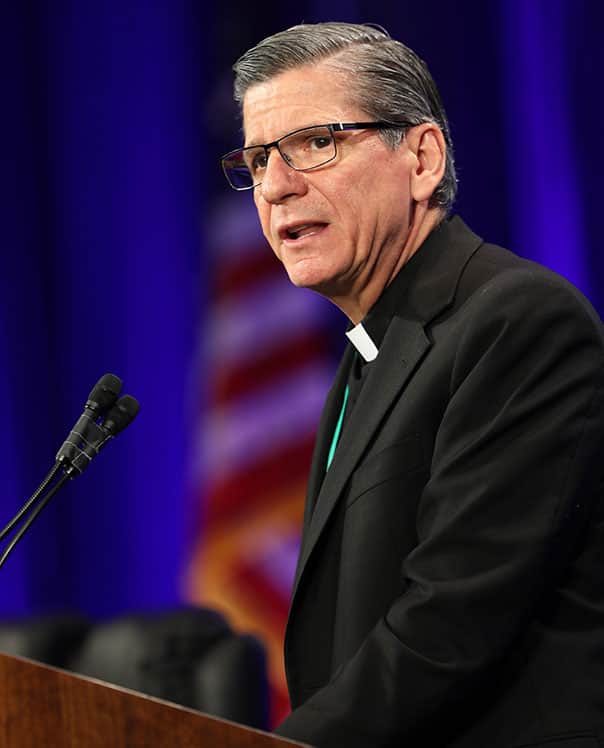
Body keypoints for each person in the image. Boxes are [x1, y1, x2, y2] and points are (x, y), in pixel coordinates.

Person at [219, 22, 604, 748]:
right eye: (259, 158)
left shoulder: (516, 322)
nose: (275, 186)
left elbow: (450, 622)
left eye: (317, 143)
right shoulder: (375, 345)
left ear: (422, 157)